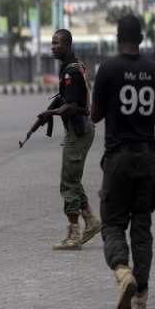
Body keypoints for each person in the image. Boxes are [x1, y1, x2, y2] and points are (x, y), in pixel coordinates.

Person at [91, 14, 155, 309]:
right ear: (141, 38)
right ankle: (141, 306)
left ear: (117, 37)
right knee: (142, 227)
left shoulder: (108, 69)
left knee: (112, 224)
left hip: (118, 158)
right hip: (147, 157)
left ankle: (123, 272)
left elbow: (95, 115)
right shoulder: (154, 70)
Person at [37, 29, 101, 250]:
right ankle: (91, 221)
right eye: (52, 43)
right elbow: (66, 99)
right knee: (73, 179)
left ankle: (74, 234)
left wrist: (50, 114)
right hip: (81, 129)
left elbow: (72, 106)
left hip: (78, 131)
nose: (53, 47)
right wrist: (50, 112)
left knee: (68, 182)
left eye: (57, 43)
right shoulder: (75, 66)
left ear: (68, 45)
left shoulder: (70, 72)